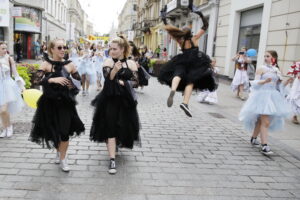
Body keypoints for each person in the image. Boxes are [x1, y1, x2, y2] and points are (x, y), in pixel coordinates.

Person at [30, 39, 85, 172]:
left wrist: (73, 83)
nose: (62, 50)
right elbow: (35, 80)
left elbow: (78, 81)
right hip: (49, 103)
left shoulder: (70, 64)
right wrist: (51, 79)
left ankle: (63, 158)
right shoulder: (46, 64)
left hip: (66, 103)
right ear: (52, 50)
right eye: (59, 47)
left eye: (64, 47)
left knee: (65, 132)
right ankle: (59, 152)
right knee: (53, 130)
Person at [90, 36, 140, 175]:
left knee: (123, 125)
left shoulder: (131, 63)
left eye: (114, 49)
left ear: (122, 49)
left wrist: (127, 83)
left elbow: (136, 82)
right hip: (110, 99)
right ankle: (112, 159)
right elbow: (108, 78)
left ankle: (117, 144)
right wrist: (114, 70)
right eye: (110, 48)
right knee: (110, 128)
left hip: (125, 101)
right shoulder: (108, 61)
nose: (111, 51)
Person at [158, 5, 217, 117]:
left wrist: (164, 18)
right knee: (191, 81)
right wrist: (200, 14)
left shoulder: (180, 40)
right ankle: (185, 103)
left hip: (183, 58)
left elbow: (168, 28)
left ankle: (173, 90)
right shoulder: (194, 38)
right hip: (195, 60)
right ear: (191, 33)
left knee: (178, 73)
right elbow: (206, 25)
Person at [239, 50, 292, 155]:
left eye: (268, 56)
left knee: (261, 120)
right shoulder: (261, 68)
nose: (265, 58)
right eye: (265, 56)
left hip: (273, 97)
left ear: (274, 58)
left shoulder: (277, 70)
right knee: (266, 122)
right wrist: (265, 81)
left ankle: (254, 138)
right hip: (262, 96)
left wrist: (287, 81)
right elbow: (255, 83)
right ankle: (265, 145)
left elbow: (279, 87)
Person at [0, 42, 25, 138]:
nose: (5, 50)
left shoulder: (9, 59)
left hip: (7, 85)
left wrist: (21, 86)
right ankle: (5, 128)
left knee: (3, 110)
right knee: (0, 111)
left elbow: (15, 73)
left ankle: (9, 127)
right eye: (2, 48)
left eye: (5, 48)